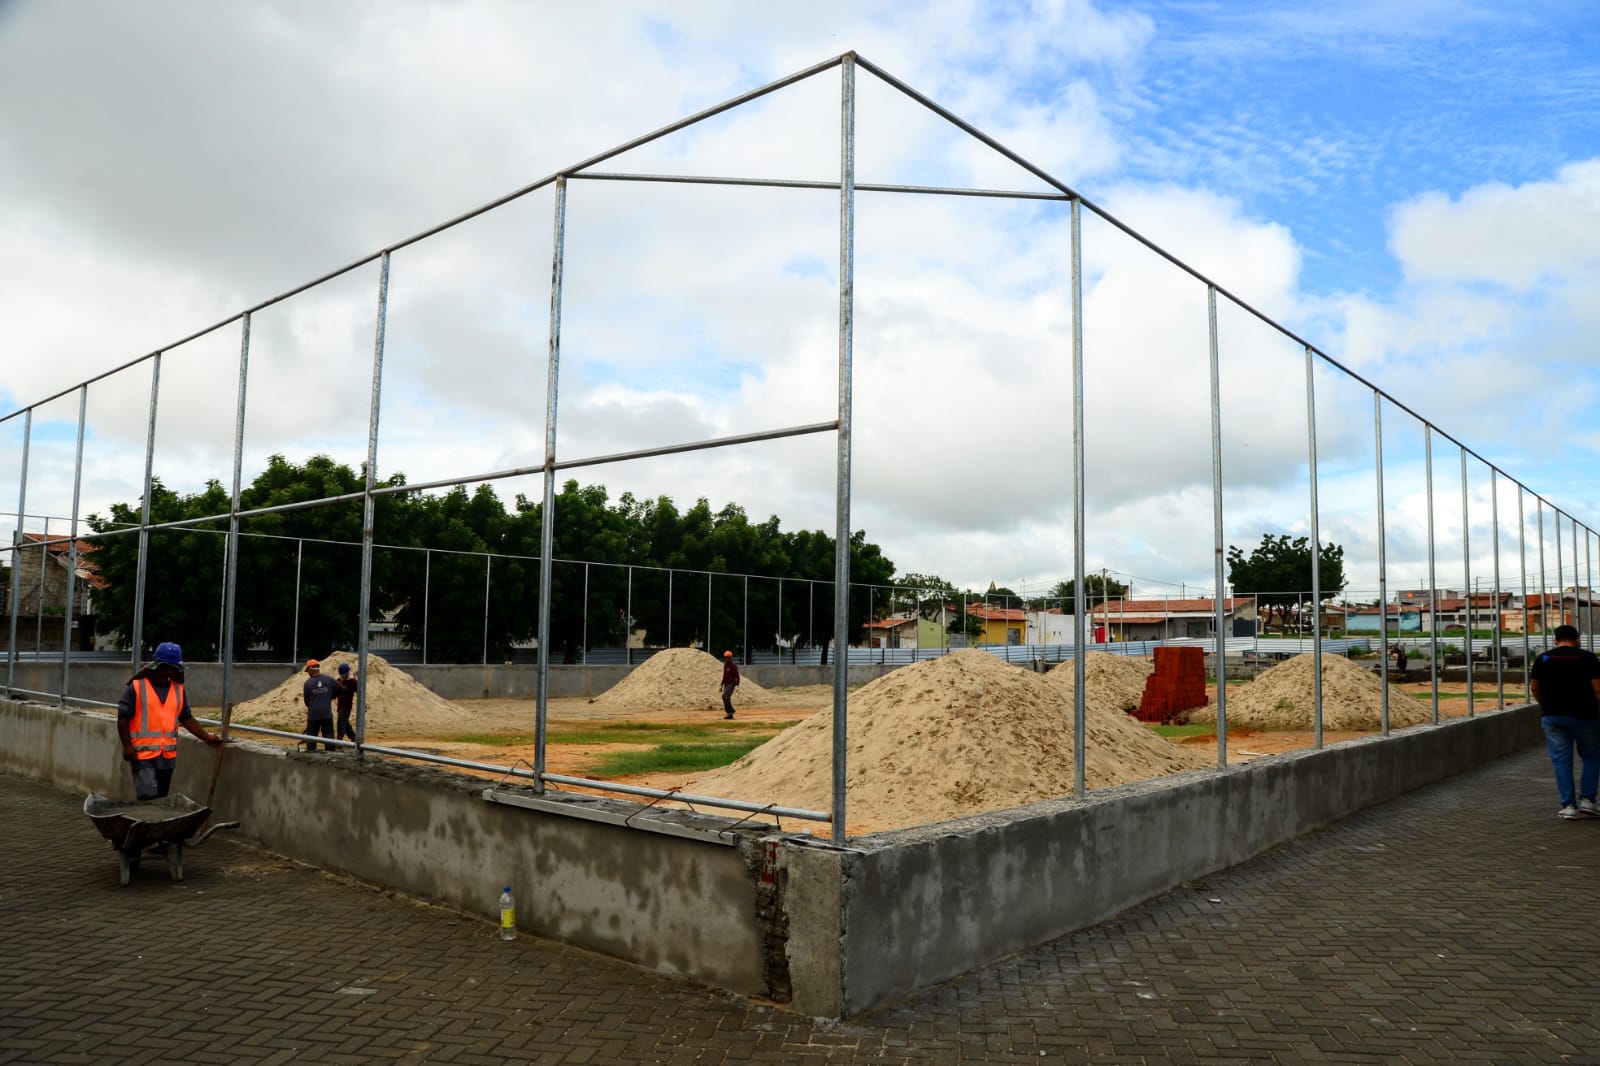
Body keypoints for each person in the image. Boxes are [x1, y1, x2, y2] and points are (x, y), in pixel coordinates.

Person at [116, 641, 223, 800]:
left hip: (166, 758)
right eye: (175, 668)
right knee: (148, 796)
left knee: (161, 799)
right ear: (163, 667)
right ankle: (147, 824)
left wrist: (207, 737)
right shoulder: (137, 687)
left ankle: (156, 824)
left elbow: (186, 718)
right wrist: (127, 746)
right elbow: (122, 717)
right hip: (142, 756)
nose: (178, 672)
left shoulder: (178, 690)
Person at [1529, 624, 1600, 819]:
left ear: (1556, 641)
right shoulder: (1588, 658)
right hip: (1585, 716)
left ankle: (1568, 806)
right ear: (1577, 639)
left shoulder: (1543, 658)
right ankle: (1588, 801)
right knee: (1592, 756)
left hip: (1553, 717)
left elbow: (1534, 688)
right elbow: (1598, 689)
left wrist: (1546, 705)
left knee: (1561, 761)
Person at [297, 659, 339, 752]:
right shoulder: (329, 679)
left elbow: (306, 701)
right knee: (328, 736)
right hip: (326, 714)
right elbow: (341, 688)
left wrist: (313, 706)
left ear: (311, 670)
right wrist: (331, 696)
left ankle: (311, 754)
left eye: (308, 671)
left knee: (311, 737)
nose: (308, 673)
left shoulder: (307, 684)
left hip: (313, 715)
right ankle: (331, 754)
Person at [333, 661, 359, 746]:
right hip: (340, 705)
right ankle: (354, 738)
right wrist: (340, 682)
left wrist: (363, 704)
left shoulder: (352, 681)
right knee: (345, 723)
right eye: (341, 674)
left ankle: (338, 742)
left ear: (348, 672)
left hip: (347, 706)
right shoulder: (339, 680)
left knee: (341, 722)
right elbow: (335, 692)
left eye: (344, 674)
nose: (343, 676)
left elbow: (359, 691)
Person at [720, 650, 740, 720]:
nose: (726, 659)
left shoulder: (733, 665)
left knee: (725, 696)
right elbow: (724, 675)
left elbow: (737, 675)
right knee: (724, 697)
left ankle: (731, 711)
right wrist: (722, 684)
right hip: (726, 683)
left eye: (727, 657)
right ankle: (729, 713)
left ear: (730, 657)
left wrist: (737, 683)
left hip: (732, 683)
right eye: (725, 657)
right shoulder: (725, 665)